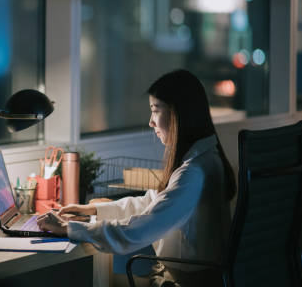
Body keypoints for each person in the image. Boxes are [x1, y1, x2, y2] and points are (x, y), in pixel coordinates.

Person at [38, 69, 236, 286]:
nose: (151, 122)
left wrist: (69, 228)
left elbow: (136, 231)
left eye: (155, 110)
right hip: (185, 277)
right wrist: (94, 211)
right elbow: (152, 204)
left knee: (93, 282)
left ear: (178, 114)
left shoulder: (192, 174)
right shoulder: (205, 157)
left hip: (184, 282)